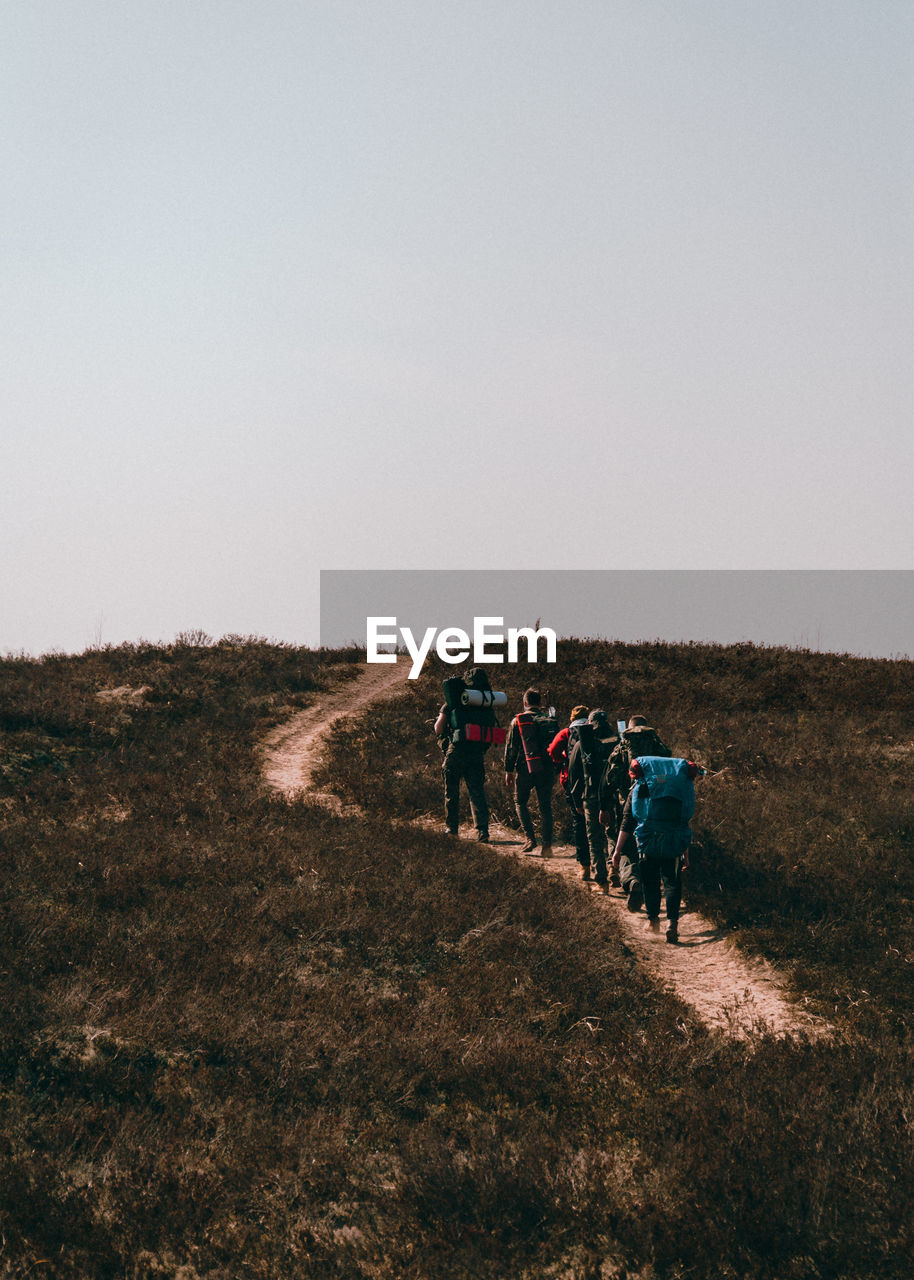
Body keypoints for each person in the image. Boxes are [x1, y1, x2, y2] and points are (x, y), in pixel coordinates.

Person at [611, 757, 703, 943]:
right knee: (672, 881)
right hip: (674, 840)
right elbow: (683, 820)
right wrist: (685, 852)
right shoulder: (680, 786)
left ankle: (653, 921)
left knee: (650, 882)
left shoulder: (639, 787)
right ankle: (672, 924)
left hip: (648, 840)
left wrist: (617, 850)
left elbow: (628, 821)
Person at [602, 715, 671, 905]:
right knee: (652, 847)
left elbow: (611, 777)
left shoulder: (623, 747)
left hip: (629, 804)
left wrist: (606, 804)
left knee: (626, 848)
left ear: (629, 729)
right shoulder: (658, 746)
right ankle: (653, 887)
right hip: (656, 803)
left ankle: (632, 881)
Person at [434, 667, 493, 841]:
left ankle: (452, 830)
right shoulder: (485, 701)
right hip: (477, 752)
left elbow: (438, 728)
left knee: (451, 792)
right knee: (477, 792)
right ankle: (483, 831)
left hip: (456, 751)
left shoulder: (454, 700)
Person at [567, 710, 618, 891]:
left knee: (594, 839)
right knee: (612, 833)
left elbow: (574, 774)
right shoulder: (616, 742)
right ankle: (614, 869)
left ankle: (601, 882)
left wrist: (576, 800)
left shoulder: (583, 743)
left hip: (590, 796)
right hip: (613, 796)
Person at [504, 688, 557, 857]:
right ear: (539, 703)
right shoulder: (550, 720)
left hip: (525, 768)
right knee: (545, 807)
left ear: (525, 703)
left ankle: (530, 839)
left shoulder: (518, 721)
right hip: (547, 770)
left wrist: (508, 770)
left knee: (520, 802)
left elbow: (511, 748)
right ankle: (547, 846)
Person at [547, 704, 590, 874]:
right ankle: (610, 866)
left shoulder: (567, 733)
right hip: (597, 785)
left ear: (572, 718)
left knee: (579, 824)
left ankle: (584, 866)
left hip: (573, 784)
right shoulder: (594, 730)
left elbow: (552, 751)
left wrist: (564, 761)